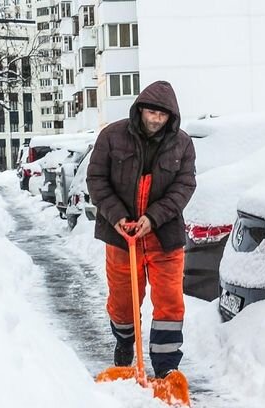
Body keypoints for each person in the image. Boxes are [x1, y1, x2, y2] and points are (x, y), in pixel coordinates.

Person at [86, 81, 197, 378]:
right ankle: (124, 343)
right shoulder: (112, 136)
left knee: (169, 303)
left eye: (162, 116)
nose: (154, 120)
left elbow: (184, 186)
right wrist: (119, 217)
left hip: (164, 237)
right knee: (122, 302)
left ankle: (166, 369)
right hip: (122, 237)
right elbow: (96, 179)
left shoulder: (182, 144)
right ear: (140, 109)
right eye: (150, 112)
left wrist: (153, 218)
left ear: (171, 116)